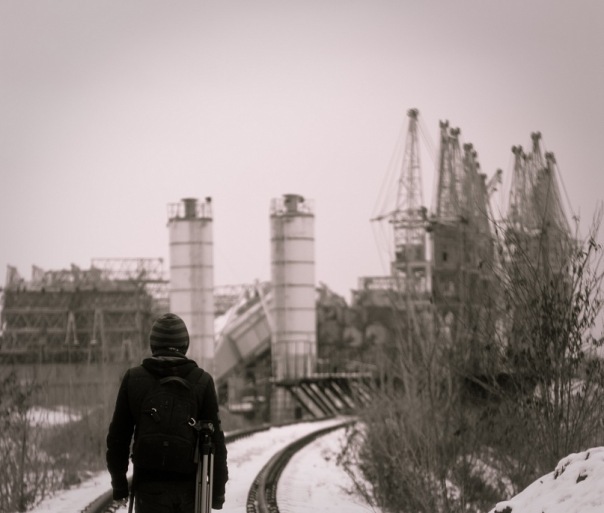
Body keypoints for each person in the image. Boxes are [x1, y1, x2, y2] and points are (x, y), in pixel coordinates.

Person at [106, 313, 228, 512]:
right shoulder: (202, 381)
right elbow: (217, 442)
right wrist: (217, 493)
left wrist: (119, 486)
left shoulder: (134, 378)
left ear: (153, 344)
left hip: (148, 486)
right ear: (185, 345)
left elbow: (118, 438)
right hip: (190, 488)